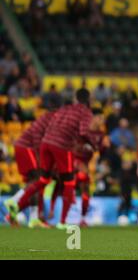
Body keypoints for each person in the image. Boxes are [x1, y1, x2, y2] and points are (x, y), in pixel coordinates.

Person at [5, 89, 96, 230]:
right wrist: (92, 144)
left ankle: (16, 205)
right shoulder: (85, 112)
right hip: (60, 145)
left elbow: (54, 128)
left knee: (43, 180)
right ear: (88, 99)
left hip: (46, 143)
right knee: (70, 182)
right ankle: (62, 223)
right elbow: (84, 132)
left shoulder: (64, 110)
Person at [3, 96, 61, 228]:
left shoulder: (48, 118)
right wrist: (41, 160)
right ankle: (13, 201)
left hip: (24, 147)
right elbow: (37, 139)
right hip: (27, 148)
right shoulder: (51, 119)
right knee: (37, 180)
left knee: (35, 184)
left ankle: (33, 219)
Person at [49, 109, 106, 227]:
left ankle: (83, 218)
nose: (101, 121)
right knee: (61, 182)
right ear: (93, 118)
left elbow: (99, 150)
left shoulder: (100, 135)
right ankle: (53, 211)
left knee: (85, 188)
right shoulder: (81, 131)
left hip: (84, 164)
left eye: (103, 119)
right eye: (100, 118)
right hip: (72, 161)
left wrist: (101, 147)